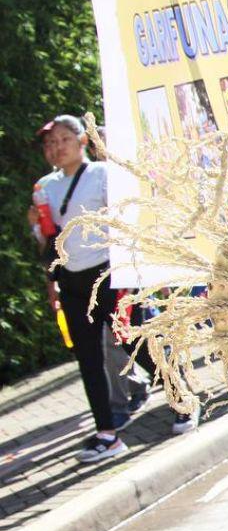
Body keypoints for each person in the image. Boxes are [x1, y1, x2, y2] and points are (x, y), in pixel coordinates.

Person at [32, 116, 198, 462]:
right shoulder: (44, 187)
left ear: (82, 141)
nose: (56, 148)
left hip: (109, 275)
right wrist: (39, 233)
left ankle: (182, 399)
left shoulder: (103, 175)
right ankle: (107, 434)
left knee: (135, 342)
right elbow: (48, 244)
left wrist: (135, 271)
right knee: (89, 359)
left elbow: (127, 221)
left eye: (63, 139)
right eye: (50, 143)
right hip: (72, 281)